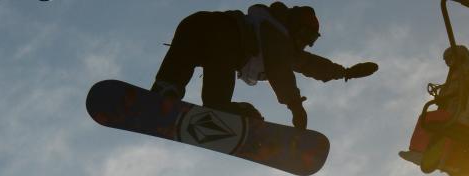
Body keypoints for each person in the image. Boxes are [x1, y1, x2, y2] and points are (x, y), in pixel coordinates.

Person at [151, 3, 377, 129]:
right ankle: (232, 111)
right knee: (216, 98)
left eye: (312, 41)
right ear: (297, 28)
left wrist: (345, 72)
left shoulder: (272, 28)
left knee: (180, 62)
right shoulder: (278, 35)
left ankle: (165, 90)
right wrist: (295, 106)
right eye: (307, 37)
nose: (306, 44)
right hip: (222, 36)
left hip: (195, 24)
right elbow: (280, 69)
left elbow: (311, 64)